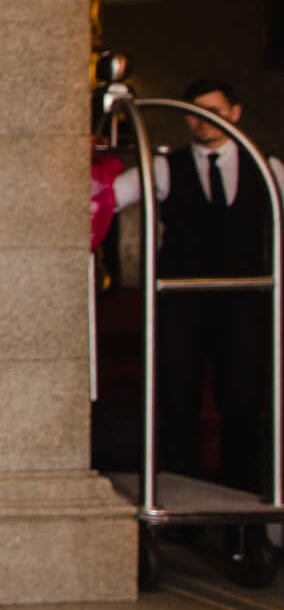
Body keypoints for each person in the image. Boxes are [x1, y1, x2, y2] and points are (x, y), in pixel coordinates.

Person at [113, 77, 281, 517]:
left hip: (246, 305)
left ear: (235, 113)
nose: (203, 121)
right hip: (181, 305)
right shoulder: (166, 168)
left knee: (244, 401)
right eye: (194, 112)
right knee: (179, 400)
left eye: (214, 111)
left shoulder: (268, 168)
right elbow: (107, 199)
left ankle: (243, 502)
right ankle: (181, 499)